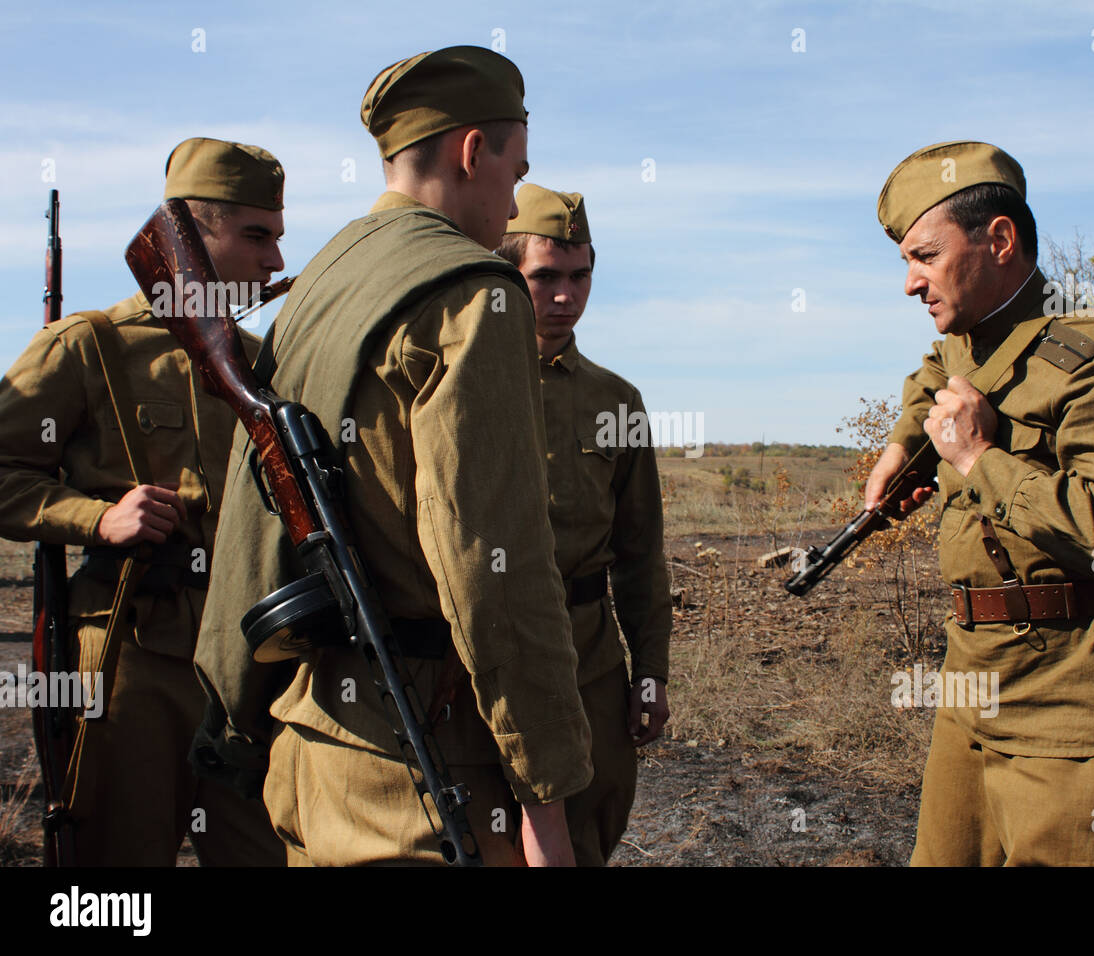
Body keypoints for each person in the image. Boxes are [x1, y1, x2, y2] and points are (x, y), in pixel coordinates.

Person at [191, 47, 593, 867]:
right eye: (517, 173)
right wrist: (547, 792)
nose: (517, 202)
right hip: (426, 763)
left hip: (313, 743)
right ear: (472, 151)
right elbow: (490, 562)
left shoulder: (326, 276)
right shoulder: (469, 293)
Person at [864, 141, 1094, 866]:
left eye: (924, 257)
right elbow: (933, 377)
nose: (910, 283)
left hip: (1078, 697)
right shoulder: (966, 348)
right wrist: (902, 445)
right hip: (973, 681)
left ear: (999, 239)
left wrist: (980, 458)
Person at [0, 137, 287, 865]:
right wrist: (96, 519)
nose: (275, 261)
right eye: (256, 235)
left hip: (247, 662)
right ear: (185, 238)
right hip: (131, 654)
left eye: (278, 237)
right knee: (117, 877)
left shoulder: (262, 366)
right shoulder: (90, 347)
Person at [495, 185, 672, 865]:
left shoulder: (615, 400)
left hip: (589, 659)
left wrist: (649, 672)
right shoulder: (457, 381)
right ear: (508, 273)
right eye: (545, 277)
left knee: (589, 828)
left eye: (580, 277)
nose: (565, 296)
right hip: (489, 655)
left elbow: (640, 553)